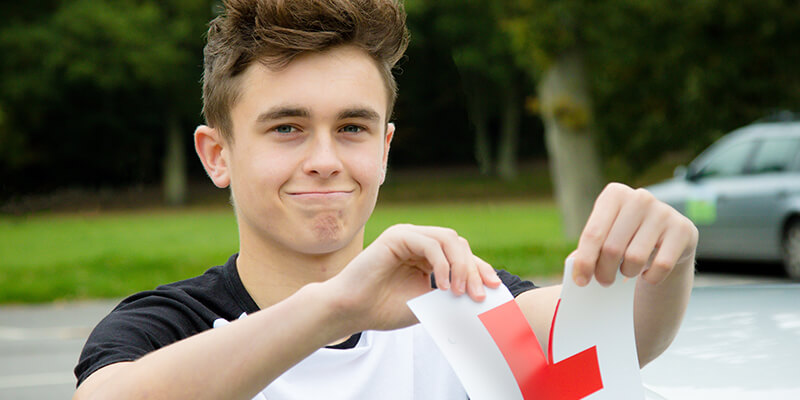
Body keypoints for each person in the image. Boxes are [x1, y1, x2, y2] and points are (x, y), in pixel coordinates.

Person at [73, 0, 698, 399]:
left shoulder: (454, 301)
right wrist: (337, 308)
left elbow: (617, 342)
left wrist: (662, 262)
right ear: (218, 155)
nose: (325, 157)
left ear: (385, 148)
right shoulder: (168, 327)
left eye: (352, 127)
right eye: (286, 127)